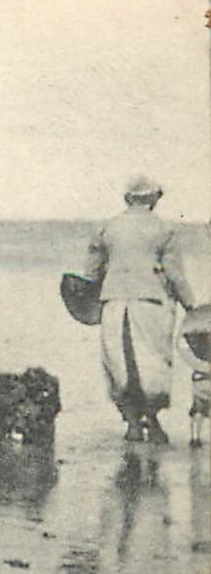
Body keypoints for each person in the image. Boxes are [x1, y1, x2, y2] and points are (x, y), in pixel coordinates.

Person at [83, 176, 198, 444]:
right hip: (151, 303)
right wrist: (191, 306)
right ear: (153, 199)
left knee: (120, 364)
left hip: (113, 302)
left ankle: (133, 423)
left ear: (128, 199)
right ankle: (154, 422)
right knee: (153, 362)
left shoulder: (107, 228)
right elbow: (175, 274)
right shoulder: (164, 230)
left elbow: (90, 273)